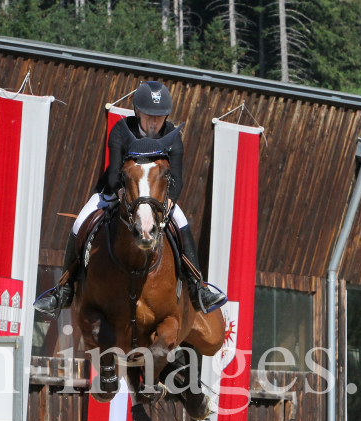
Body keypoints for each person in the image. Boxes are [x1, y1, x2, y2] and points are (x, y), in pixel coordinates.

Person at [34, 80, 227, 318]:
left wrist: (171, 199)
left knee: (182, 223)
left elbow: (177, 177)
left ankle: (199, 288)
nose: (155, 122)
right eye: (149, 116)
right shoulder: (121, 130)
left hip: (157, 198)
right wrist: (121, 193)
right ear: (137, 112)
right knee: (80, 221)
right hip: (117, 191)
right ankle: (62, 291)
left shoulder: (173, 136)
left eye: (160, 116)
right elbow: (114, 172)